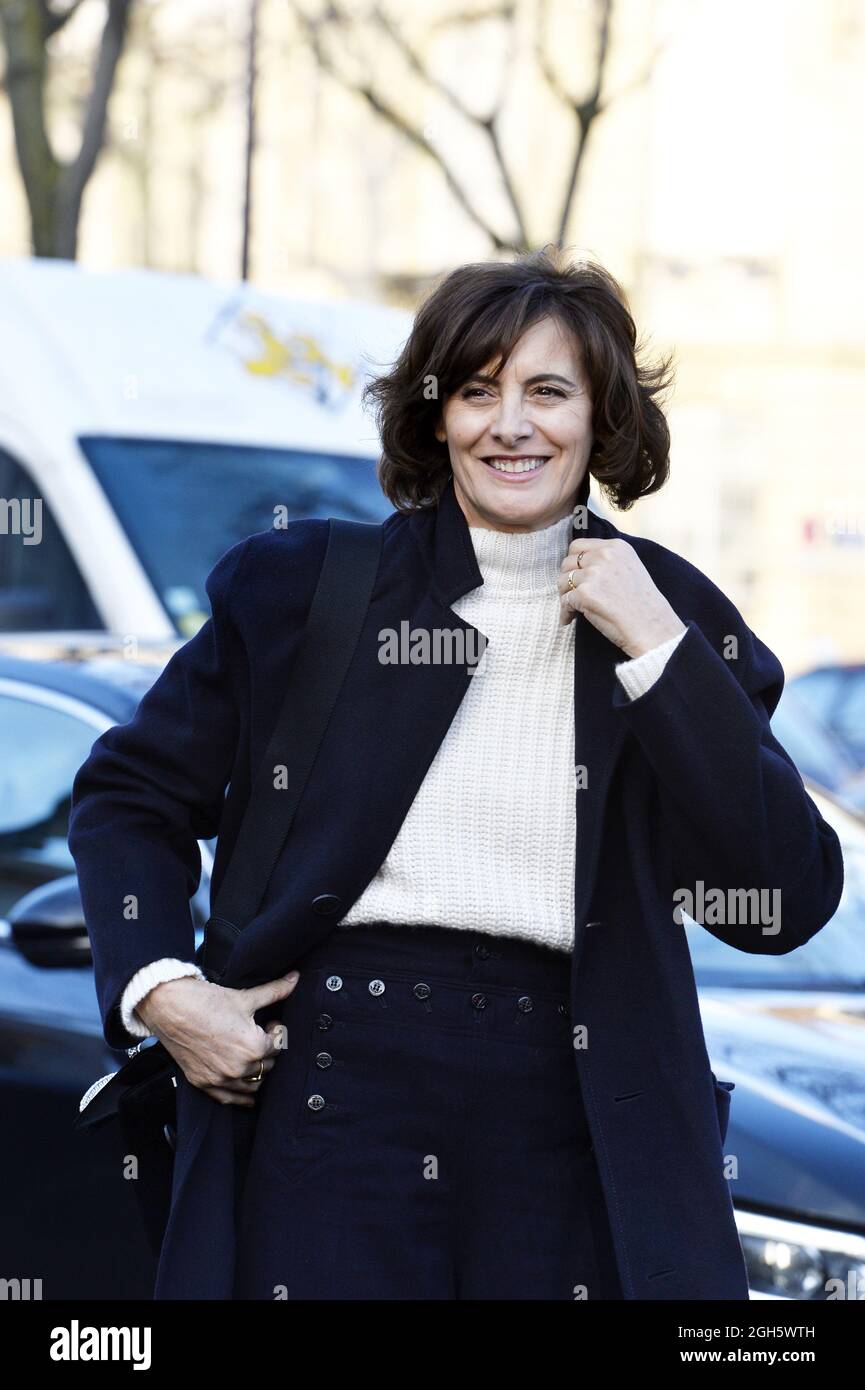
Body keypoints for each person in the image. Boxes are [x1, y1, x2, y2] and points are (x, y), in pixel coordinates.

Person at [68, 247, 844, 1301]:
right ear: (435, 416)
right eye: (476, 390)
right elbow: (130, 796)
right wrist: (162, 990)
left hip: (573, 1121)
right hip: (328, 1108)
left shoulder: (673, 613)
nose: (510, 425)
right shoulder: (303, 587)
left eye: (547, 392)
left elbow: (783, 902)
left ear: (600, 417)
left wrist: (660, 649)